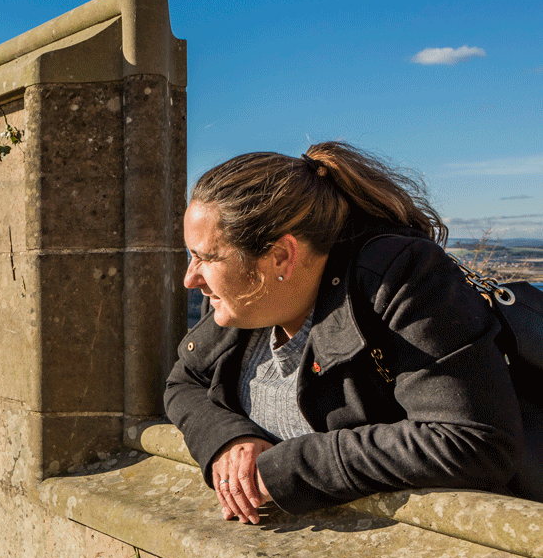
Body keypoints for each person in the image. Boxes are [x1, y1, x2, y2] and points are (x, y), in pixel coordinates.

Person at [165, 141, 543, 525]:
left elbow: (474, 442)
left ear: (281, 256)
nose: (190, 278)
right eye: (191, 255)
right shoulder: (247, 301)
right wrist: (228, 439)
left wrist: (288, 469)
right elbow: (183, 382)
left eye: (207, 257)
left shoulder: (397, 282)